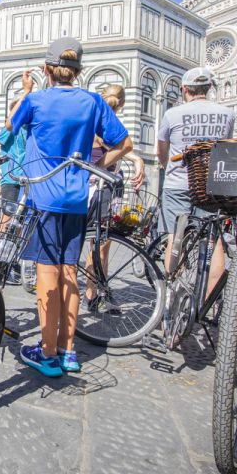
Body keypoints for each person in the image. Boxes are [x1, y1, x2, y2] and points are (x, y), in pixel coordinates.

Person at [9, 37, 132, 377]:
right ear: (78, 71)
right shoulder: (93, 102)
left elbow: (10, 126)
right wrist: (97, 168)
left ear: (48, 68)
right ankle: (68, 352)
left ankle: (47, 355)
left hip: (43, 198)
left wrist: (26, 88)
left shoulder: (35, 100)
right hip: (77, 198)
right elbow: (125, 143)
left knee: (47, 273)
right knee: (70, 272)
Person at [157, 66, 234, 300]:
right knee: (214, 240)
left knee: (175, 237)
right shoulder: (227, 113)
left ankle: (174, 296)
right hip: (210, 185)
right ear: (209, 88)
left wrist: (166, 165)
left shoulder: (173, 114)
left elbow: (162, 148)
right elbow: (225, 146)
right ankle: (210, 302)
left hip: (178, 183)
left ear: (184, 89)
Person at [83, 84, 145, 309]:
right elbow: (119, 146)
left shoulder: (97, 121)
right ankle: (93, 293)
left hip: (97, 188)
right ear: (123, 104)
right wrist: (137, 160)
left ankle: (98, 290)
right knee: (99, 244)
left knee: (97, 243)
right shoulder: (103, 124)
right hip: (101, 188)